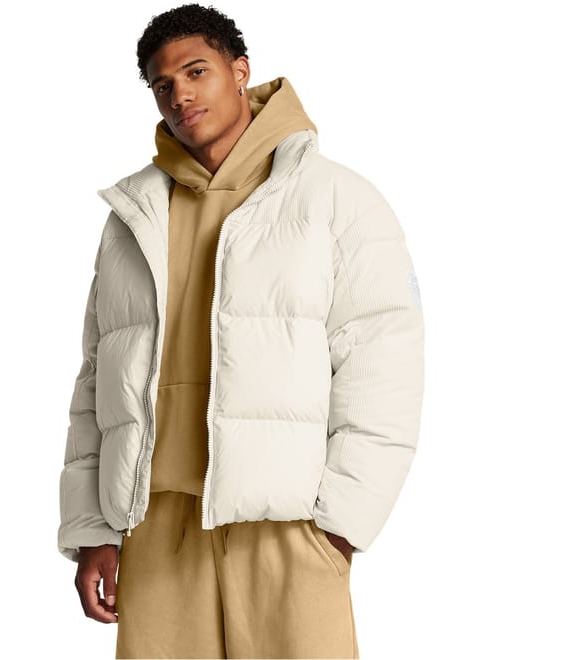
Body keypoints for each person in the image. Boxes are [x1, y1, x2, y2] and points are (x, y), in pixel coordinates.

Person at [57, 3, 425, 658]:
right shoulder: (134, 215)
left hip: (288, 526)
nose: (180, 94)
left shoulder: (336, 200)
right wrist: (93, 529)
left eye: (196, 71)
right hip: (158, 523)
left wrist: (340, 525)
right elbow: (96, 381)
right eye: (163, 84)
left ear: (240, 70)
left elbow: (384, 365)